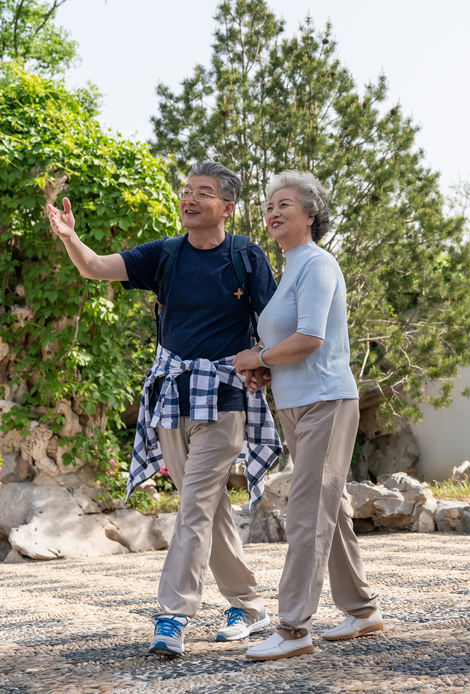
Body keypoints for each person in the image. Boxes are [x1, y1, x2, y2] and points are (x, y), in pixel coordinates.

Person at [47, 161, 281, 657]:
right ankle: (248, 604)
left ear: (227, 207)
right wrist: (70, 237)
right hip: (171, 398)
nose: (190, 199)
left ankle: (172, 614)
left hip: (225, 396)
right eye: (187, 191)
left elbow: (276, 320)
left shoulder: (246, 256)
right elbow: (95, 267)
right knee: (209, 504)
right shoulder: (166, 254)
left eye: (204, 192)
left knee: (194, 503)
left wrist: (264, 363)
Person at [233, 171, 381, 661]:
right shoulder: (291, 268)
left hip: (326, 403)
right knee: (329, 510)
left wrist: (259, 359)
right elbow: (287, 347)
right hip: (295, 404)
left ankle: (294, 629)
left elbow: (310, 339)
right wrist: (267, 368)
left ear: (311, 213)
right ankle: (362, 608)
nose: (274, 212)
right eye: (270, 205)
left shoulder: (317, 265)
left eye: (286, 204)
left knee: (306, 513)